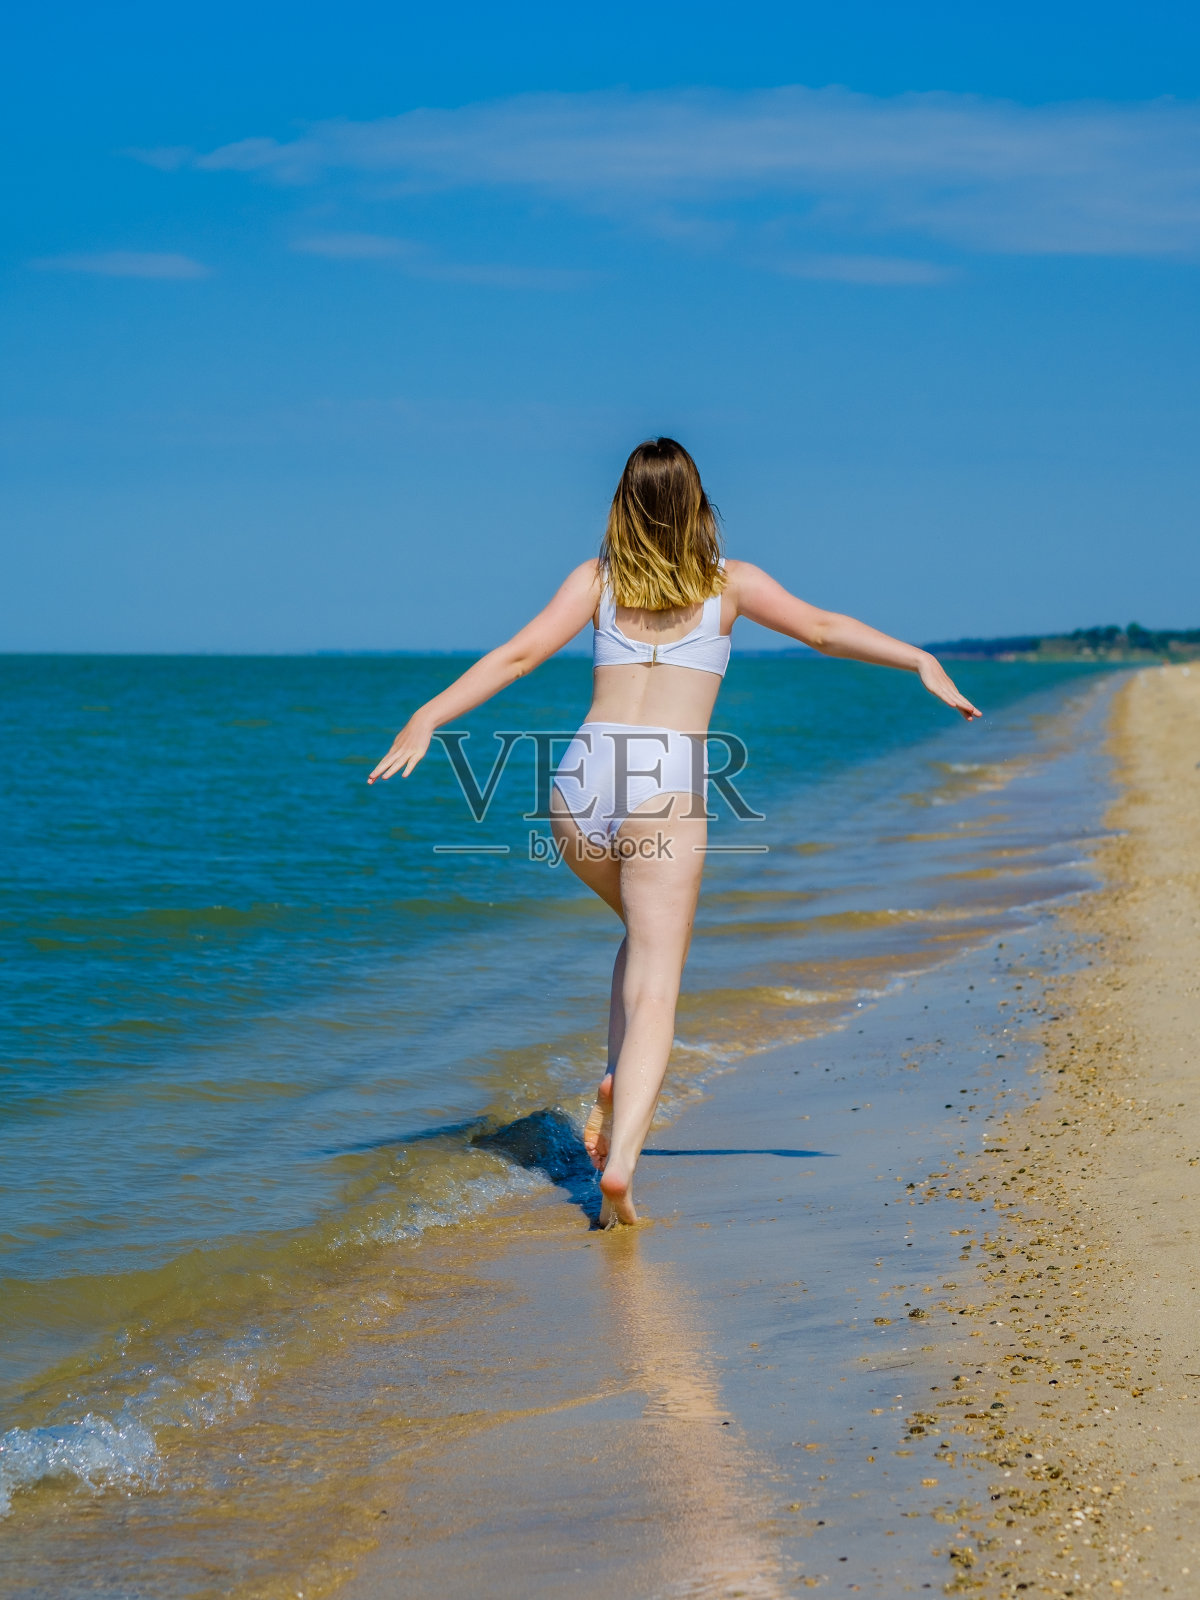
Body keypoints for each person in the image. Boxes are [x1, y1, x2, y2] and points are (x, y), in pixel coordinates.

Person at [369, 438, 980, 1226]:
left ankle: (618, 1081)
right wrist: (920, 659)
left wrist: (427, 717)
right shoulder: (730, 585)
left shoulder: (595, 582)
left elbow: (517, 657)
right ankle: (620, 1166)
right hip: (664, 785)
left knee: (641, 938)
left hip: (579, 783)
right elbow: (825, 630)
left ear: (621, 506)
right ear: (700, 507)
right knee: (659, 977)